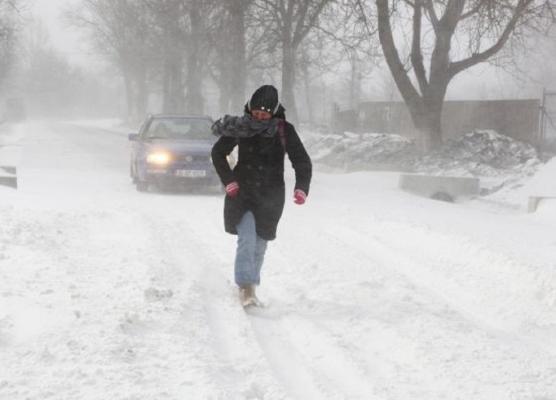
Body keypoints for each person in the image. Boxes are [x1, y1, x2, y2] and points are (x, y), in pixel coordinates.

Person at [211, 85, 312, 307]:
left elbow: (301, 160)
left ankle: (251, 286)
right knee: (246, 238)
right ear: (249, 110)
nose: (259, 117)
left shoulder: (284, 130)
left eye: (264, 114)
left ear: (274, 112)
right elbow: (218, 152)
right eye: (255, 113)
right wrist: (229, 181)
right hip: (243, 192)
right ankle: (245, 288)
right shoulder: (241, 127)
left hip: (271, 194)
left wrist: (301, 187)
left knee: (260, 244)